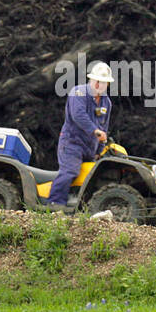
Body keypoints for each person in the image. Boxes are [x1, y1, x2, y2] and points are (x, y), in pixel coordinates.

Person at [48, 61, 114, 209]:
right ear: (92, 80)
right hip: (72, 143)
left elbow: (104, 128)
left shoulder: (106, 103)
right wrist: (94, 130)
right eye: (99, 81)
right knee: (70, 170)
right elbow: (78, 115)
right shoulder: (78, 92)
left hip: (90, 148)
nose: (101, 85)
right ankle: (55, 204)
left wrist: (99, 151)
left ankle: (79, 207)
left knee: (90, 176)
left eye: (105, 83)